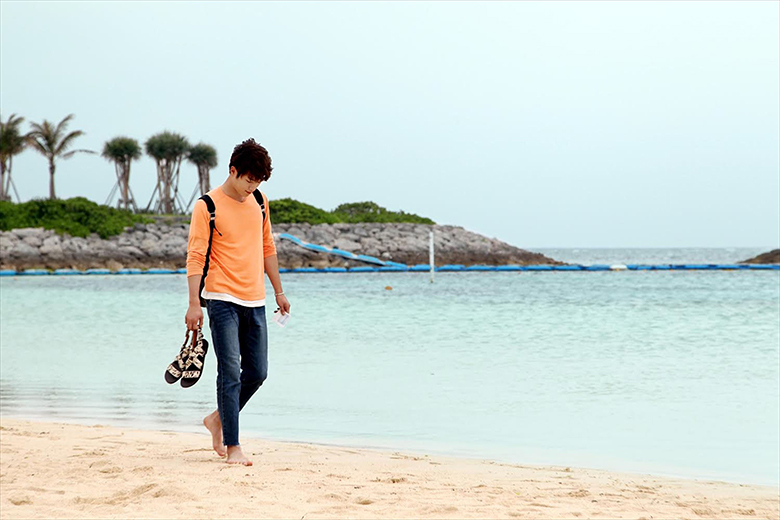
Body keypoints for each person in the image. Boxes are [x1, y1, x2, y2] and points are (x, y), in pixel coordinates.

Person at [184, 138, 290, 466]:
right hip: (220, 299)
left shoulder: (259, 202)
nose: (252, 187)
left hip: (254, 299)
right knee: (229, 370)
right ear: (233, 171)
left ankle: (217, 419)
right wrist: (192, 304)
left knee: (257, 372)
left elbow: (267, 247)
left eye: (258, 182)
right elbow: (195, 256)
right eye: (248, 180)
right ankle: (233, 446)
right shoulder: (207, 206)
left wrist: (279, 291)